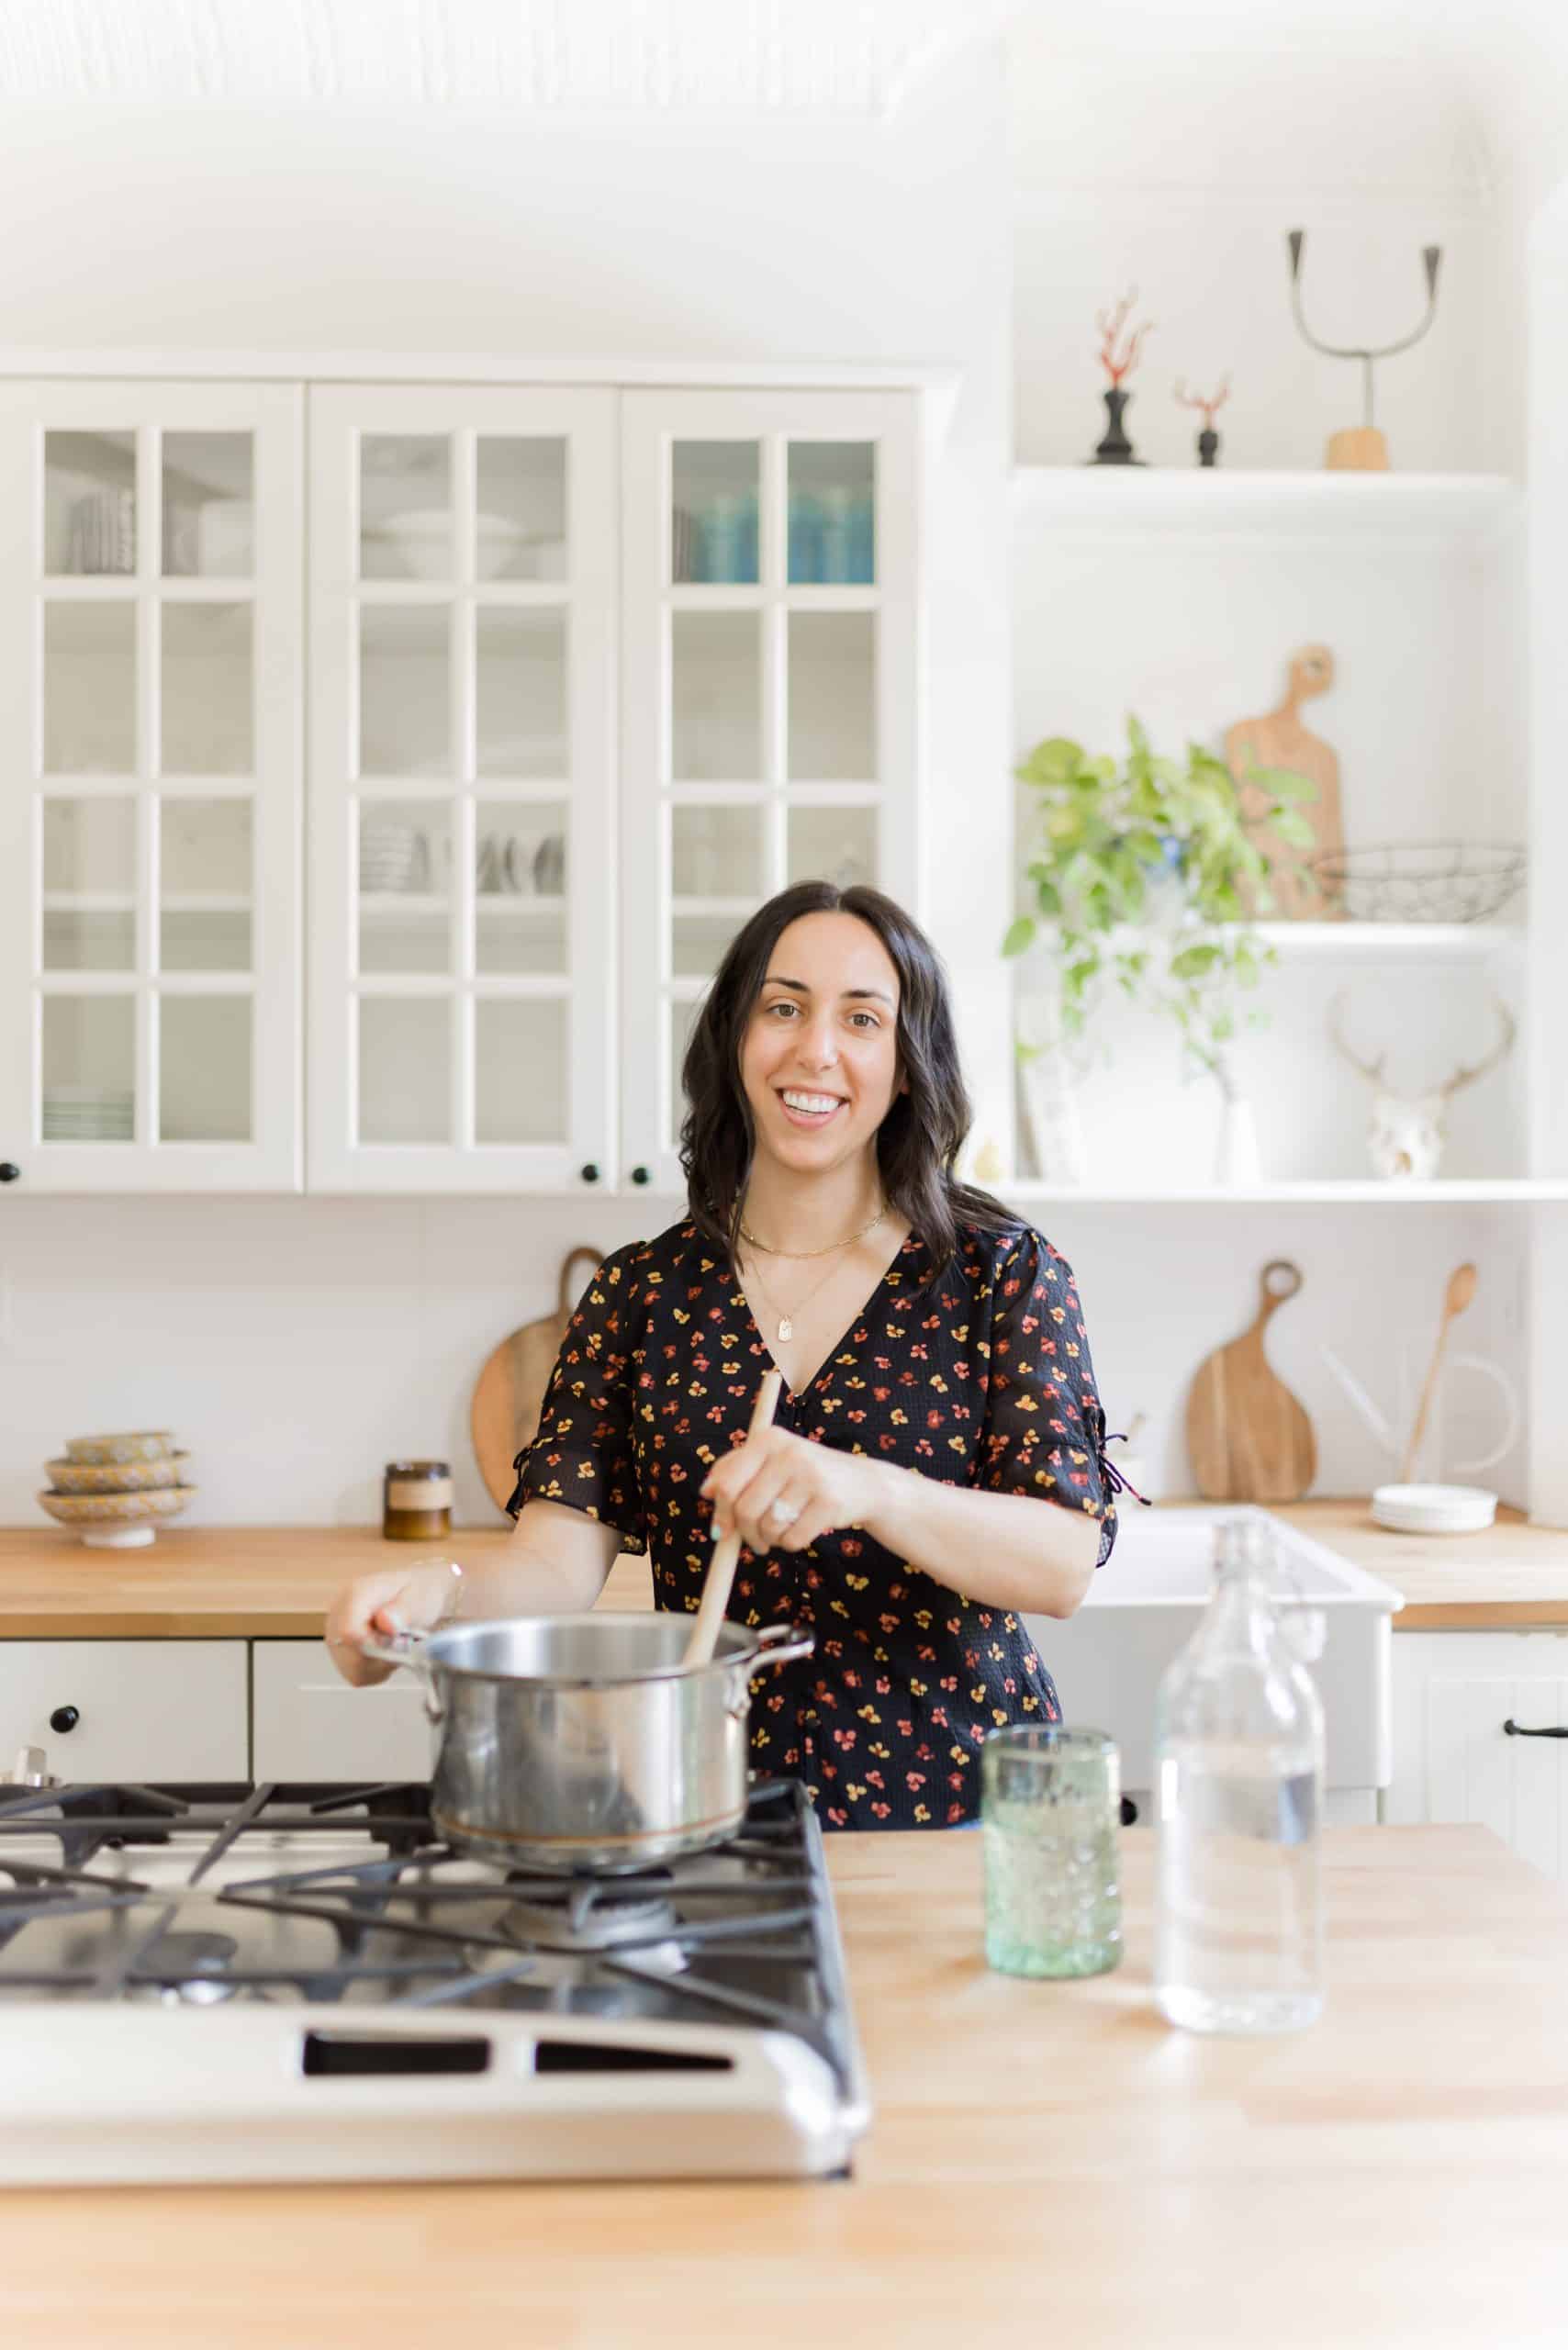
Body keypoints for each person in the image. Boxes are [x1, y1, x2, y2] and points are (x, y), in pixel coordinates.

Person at [325, 881, 1126, 1830]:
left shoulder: (999, 1274)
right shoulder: (641, 1295)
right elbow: (552, 1567)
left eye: (861, 1018)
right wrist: (434, 1598)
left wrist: (870, 1488)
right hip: (708, 1809)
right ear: (735, 1041)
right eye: (781, 1007)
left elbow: (1062, 1562)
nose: (814, 1049)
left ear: (905, 1066)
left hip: (965, 1823)